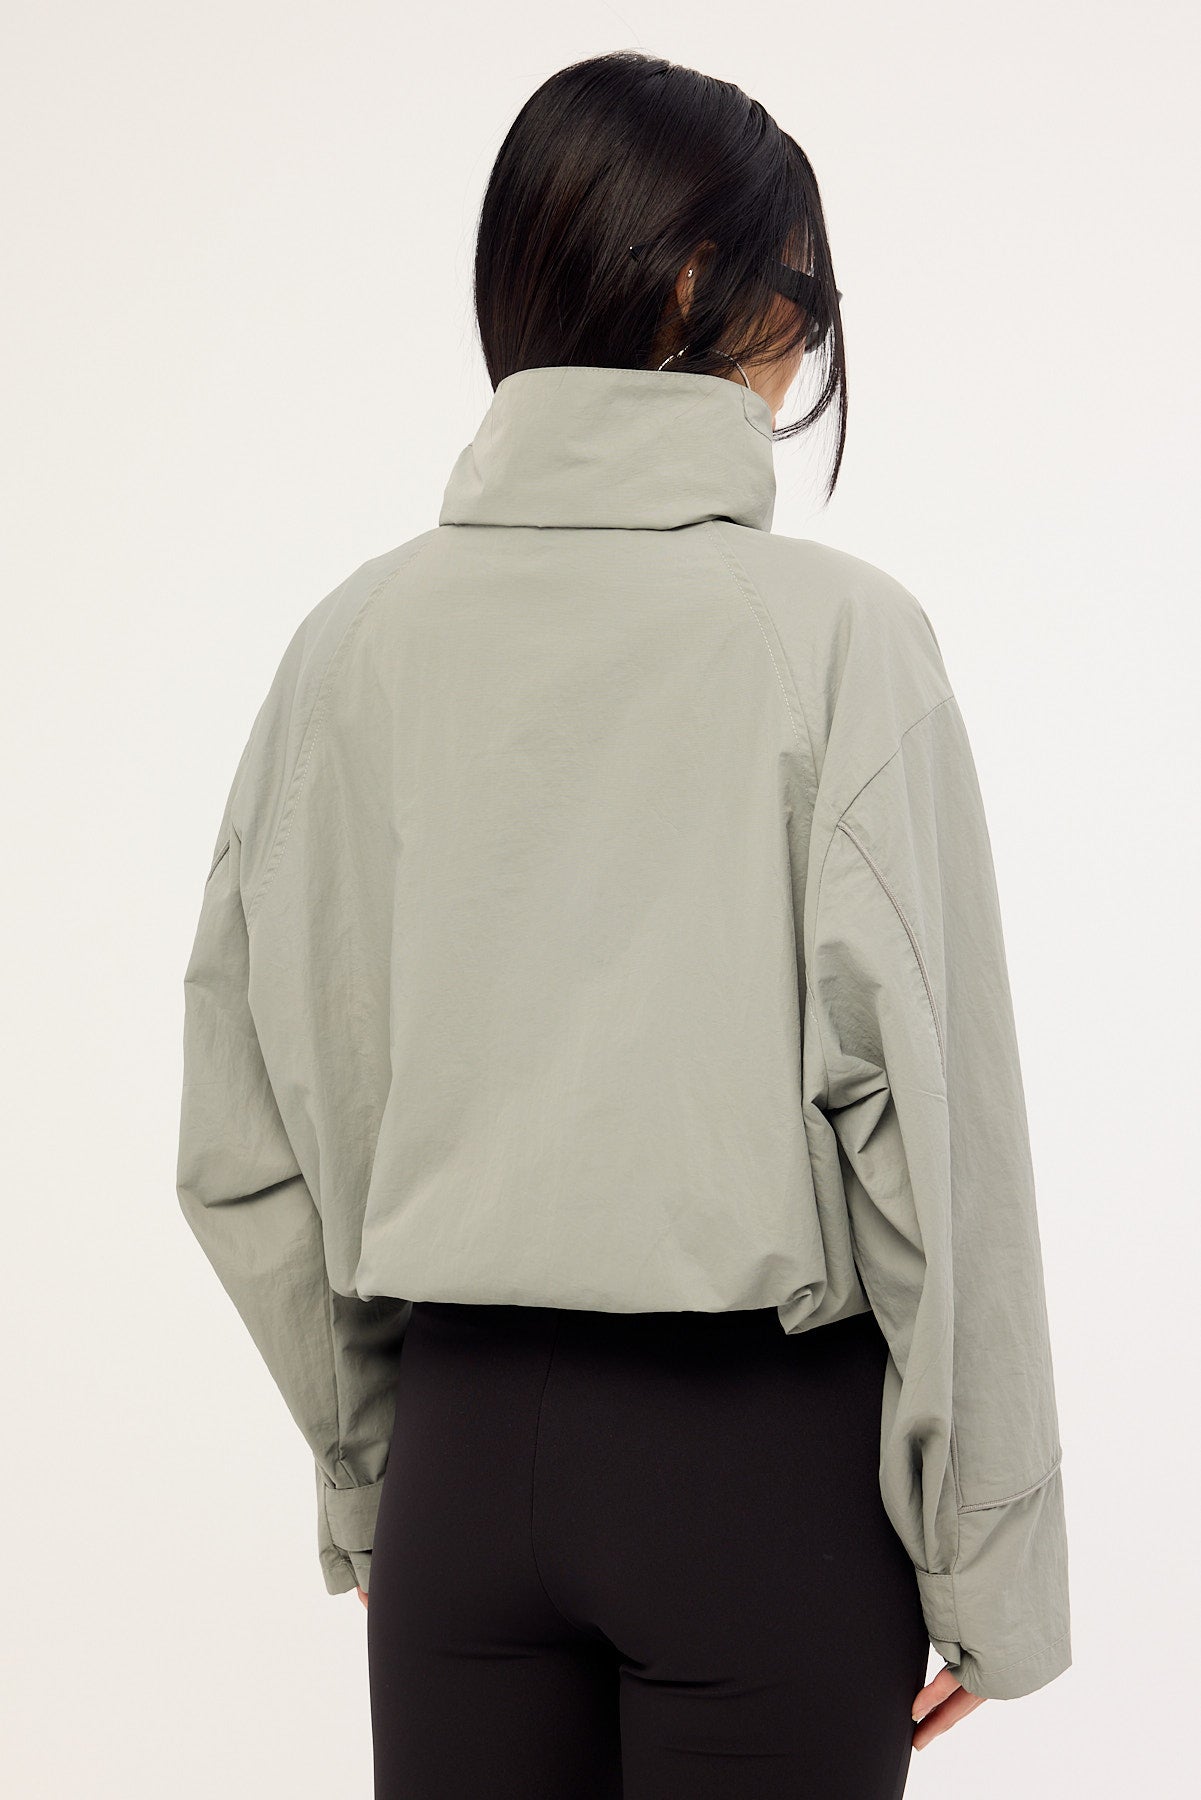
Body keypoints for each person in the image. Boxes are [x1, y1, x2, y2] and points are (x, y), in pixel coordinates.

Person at [175, 48, 1071, 1800]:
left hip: (459, 1473)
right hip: (754, 1480)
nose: (804, 346)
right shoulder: (833, 642)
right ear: (691, 283)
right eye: (802, 292)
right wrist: (988, 1563)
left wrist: (374, 1469)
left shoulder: (347, 647)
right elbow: (936, 1142)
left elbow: (244, 1137)